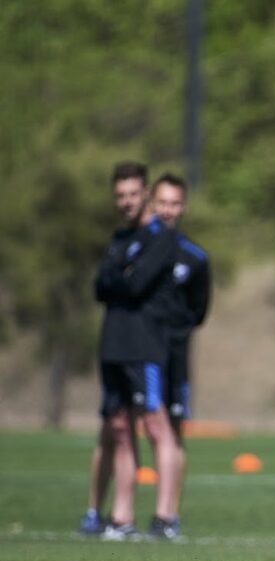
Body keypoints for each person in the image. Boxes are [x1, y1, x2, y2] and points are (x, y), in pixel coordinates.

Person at [92, 161, 182, 540]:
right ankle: (121, 517)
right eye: (120, 196)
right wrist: (120, 275)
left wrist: (122, 277)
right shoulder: (119, 238)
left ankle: (164, 518)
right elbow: (101, 286)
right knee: (119, 430)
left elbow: (137, 284)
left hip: (144, 345)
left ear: (145, 192)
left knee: (156, 426)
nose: (126, 202)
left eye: (133, 194)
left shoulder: (162, 237)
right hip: (113, 343)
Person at [147, 172, 211, 539]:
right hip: (140, 352)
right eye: (162, 203)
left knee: (173, 429)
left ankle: (168, 514)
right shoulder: (138, 249)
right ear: (152, 205)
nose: (168, 210)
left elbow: (199, 309)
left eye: (175, 203)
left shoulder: (194, 257)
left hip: (174, 354)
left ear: (182, 207)